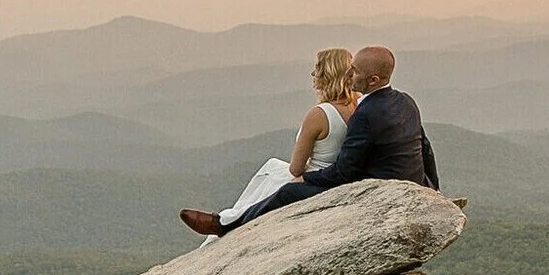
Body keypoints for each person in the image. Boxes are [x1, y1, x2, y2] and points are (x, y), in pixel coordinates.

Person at [183, 45, 437, 236]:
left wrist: (307, 178)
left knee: (287, 191)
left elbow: (345, 170)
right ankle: (228, 219)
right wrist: (432, 187)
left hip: (377, 190)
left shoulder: (366, 113)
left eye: (355, 71)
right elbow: (424, 147)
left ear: (374, 80)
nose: (349, 74)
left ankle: (224, 225)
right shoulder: (405, 101)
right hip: (410, 183)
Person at [197, 49, 363, 243]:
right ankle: (227, 219)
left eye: (317, 69)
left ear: (327, 74)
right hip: (340, 176)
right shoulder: (360, 107)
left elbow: (296, 168)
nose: (313, 74)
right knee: (271, 169)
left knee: (269, 175)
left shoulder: (319, 114)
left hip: (315, 178)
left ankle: (226, 223)